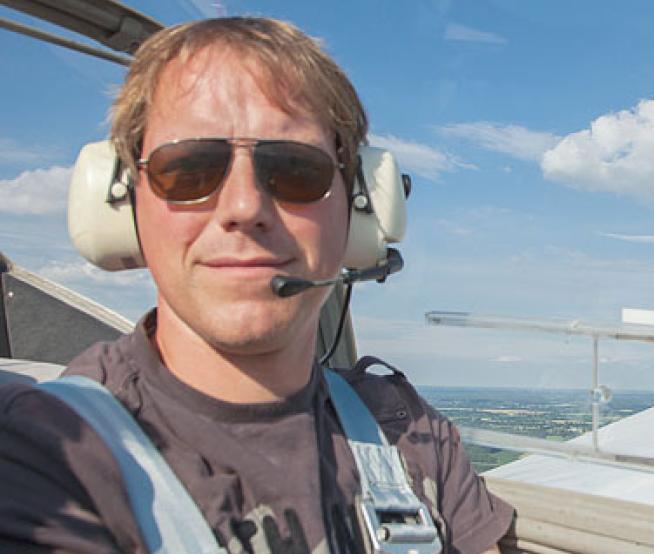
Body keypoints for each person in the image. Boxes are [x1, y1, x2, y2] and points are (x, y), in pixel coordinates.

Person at [0, 17, 513, 554]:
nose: (244, 208)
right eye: (189, 170)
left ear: (357, 205)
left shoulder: (405, 431)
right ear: (125, 204)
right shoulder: (49, 459)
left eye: (295, 170)